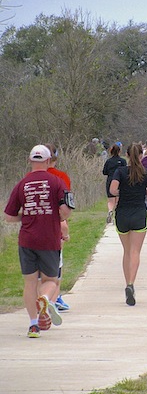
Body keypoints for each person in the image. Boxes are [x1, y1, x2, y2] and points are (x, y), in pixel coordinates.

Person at [4, 145, 72, 338]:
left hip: (26, 239)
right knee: (51, 280)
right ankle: (44, 299)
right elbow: (66, 210)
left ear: (30, 161)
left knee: (29, 282)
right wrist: (54, 217)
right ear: (49, 161)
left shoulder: (22, 184)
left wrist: (25, 216)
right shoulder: (57, 182)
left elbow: (8, 217)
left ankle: (33, 325)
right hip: (49, 239)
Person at [109, 143, 147, 306]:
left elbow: (112, 190)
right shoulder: (146, 173)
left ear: (127, 155)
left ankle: (127, 283)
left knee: (127, 251)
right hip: (138, 213)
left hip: (122, 213)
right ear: (141, 156)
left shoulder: (120, 172)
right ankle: (131, 284)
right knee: (135, 251)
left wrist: (122, 190)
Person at [45, 143, 72, 311]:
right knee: (56, 264)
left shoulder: (29, 177)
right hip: (55, 225)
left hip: (32, 227)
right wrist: (65, 230)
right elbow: (64, 206)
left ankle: (42, 298)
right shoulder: (61, 177)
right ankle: (54, 298)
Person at [102, 143, 127, 223]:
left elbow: (104, 172)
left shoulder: (108, 161)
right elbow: (125, 171)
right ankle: (117, 216)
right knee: (118, 200)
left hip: (110, 180)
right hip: (120, 181)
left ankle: (110, 211)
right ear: (119, 151)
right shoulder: (123, 161)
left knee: (110, 200)